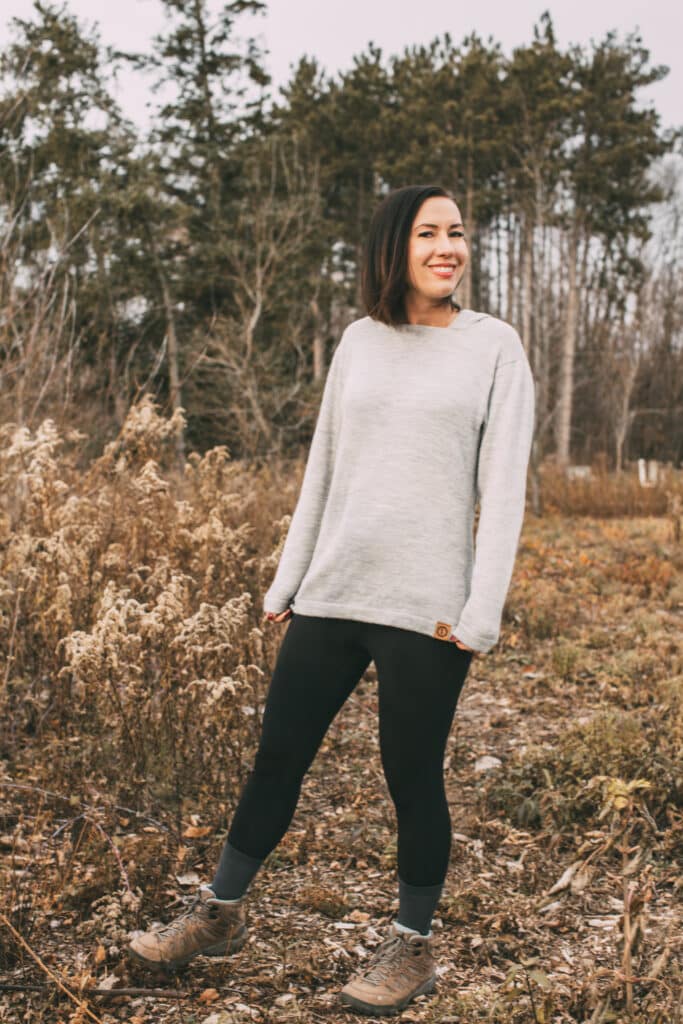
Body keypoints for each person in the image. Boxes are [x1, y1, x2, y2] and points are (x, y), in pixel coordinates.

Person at [127, 184, 535, 1015]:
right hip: (336, 588)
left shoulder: (494, 347)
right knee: (278, 755)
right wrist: (290, 577)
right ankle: (220, 912)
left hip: (429, 606)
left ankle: (411, 947)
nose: (447, 247)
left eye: (456, 233)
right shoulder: (359, 339)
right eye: (428, 233)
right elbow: (326, 464)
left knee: (409, 775)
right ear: (395, 245)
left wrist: (480, 611)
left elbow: (504, 486)